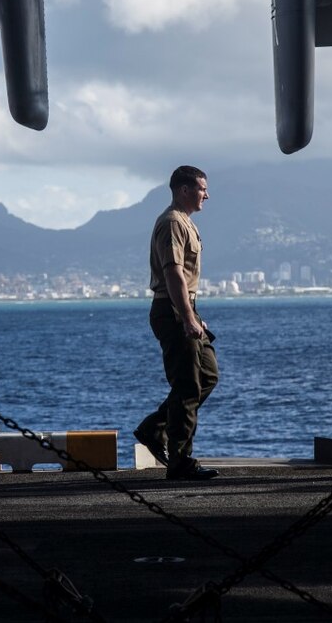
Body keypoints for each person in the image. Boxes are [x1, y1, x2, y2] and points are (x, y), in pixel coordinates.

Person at [134, 166, 220, 481]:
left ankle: (154, 428)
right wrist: (186, 317)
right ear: (184, 190)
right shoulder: (172, 223)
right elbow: (173, 273)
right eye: (201, 189)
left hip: (184, 308)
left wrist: (194, 314)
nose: (206, 195)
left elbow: (184, 279)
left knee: (207, 375)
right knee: (187, 385)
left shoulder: (185, 223)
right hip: (171, 310)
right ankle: (180, 462)